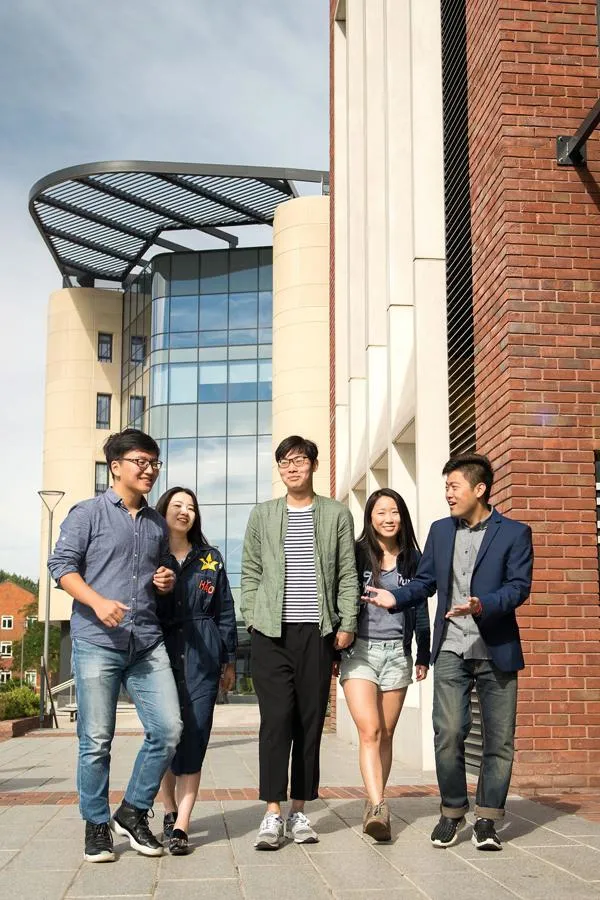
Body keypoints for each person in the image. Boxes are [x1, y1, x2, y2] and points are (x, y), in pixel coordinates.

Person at [364, 453, 533, 852]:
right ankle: (452, 812)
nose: (448, 495)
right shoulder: (441, 532)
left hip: (497, 649)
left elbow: (519, 587)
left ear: (480, 489)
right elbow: (423, 583)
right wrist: (395, 598)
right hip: (452, 647)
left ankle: (488, 820)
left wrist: (482, 604)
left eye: (454, 487)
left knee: (499, 740)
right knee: (450, 731)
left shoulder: (514, 533)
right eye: (445, 488)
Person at [47, 429, 183, 863]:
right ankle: (96, 824)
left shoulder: (157, 524)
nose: (149, 470)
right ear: (116, 466)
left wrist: (167, 580)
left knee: (168, 730)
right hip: (96, 642)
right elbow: (61, 566)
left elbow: (161, 573)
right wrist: (97, 601)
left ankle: (132, 811)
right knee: (96, 740)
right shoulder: (86, 513)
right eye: (141, 461)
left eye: (154, 463)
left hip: (146, 642)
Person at [241, 435, 359, 849]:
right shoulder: (262, 515)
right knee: (275, 723)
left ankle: (300, 811)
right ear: (280, 470)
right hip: (270, 634)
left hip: (318, 632)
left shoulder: (336, 514)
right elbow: (250, 571)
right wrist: (253, 618)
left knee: (310, 723)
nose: (293, 468)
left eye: (300, 461)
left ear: (312, 465)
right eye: (285, 463)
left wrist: (347, 623)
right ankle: (272, 814)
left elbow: (347, 572)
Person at [339, 489, 430, 842]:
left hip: (397, 653)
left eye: (394, 512)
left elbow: (420, 608)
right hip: (360, 652)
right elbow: (341, 597)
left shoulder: (413, 559)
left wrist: (423, 654)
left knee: (387, 734)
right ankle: (379, 806)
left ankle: (374, 799)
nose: (388, 518)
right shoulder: (358, 554)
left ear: (402, 517)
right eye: (381, 512)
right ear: (371, 518)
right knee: (370, 731)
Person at [155, 487, 237, 855]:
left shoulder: (211, 559)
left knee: (197, 736)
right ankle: (168, 808)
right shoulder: (149, 556)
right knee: (165, 737)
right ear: (163, 512)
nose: (184, 511)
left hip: (203, 656)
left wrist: (228, 659)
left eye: (190, 507)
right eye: (177, 505)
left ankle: (182, 824)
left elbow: (225, 611)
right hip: (159, 655)